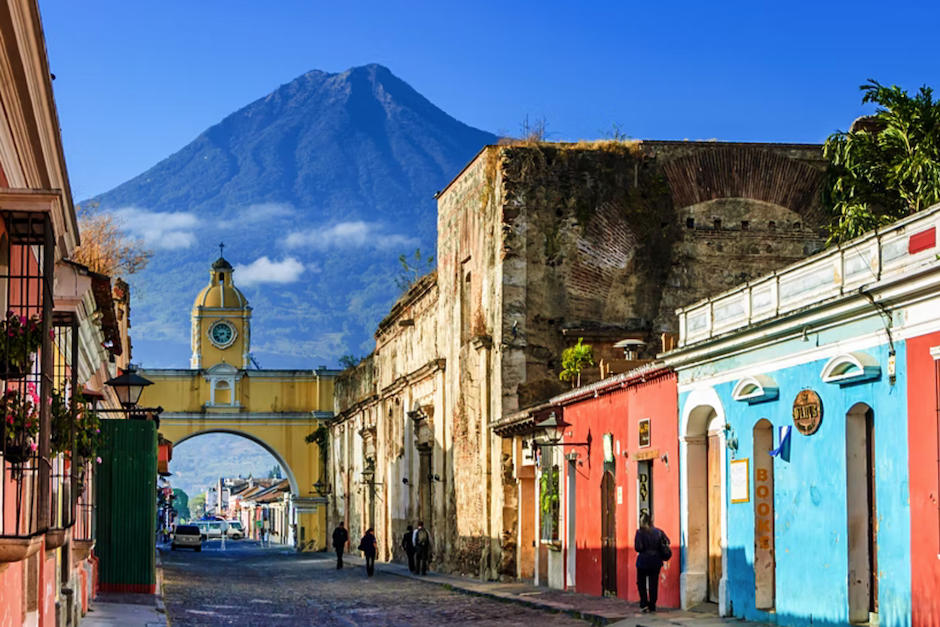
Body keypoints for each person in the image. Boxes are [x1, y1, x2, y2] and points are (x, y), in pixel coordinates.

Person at [634, 512, 670, 613]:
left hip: (643, 562)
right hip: (656, 561)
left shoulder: (640, 533)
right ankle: (652, 604)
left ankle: (644, 603)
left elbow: (638, 548)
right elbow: (667, 541)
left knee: (641, 583)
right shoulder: (659, 532)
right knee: (653, 583)